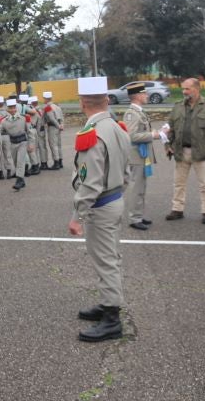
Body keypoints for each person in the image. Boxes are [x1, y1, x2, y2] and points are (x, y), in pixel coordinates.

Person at [68, 76, 130, 343]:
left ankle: (112, 319)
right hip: (114, 199)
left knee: (105, 261)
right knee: (110, 257)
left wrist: (77, 216)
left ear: (82, 103)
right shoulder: (117, 127)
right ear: (106, 100)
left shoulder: (92, 134)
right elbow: (127, 170)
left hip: (101, 205)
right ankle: (107, 303)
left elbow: (90, 183)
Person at [165, 77, 205, 224]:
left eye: (187, 89)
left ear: (196, 89)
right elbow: (170, 128)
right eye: (183, 89)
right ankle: (177, 210)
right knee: (179, 183)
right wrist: (168, 145)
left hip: (202, 153)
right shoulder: (177, 107)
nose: (184, 92)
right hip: (181, 152)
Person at [122, 83, 160, 230]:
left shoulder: (139, 111)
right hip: (136, 156)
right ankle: (134, 218)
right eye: (144, 94)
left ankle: (138, 215)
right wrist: (153, 135)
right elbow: (131, 136)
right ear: (137, 96)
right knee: (136, 188)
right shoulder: (131, 113)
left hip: (141, 155)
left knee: (141, 187)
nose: (147, 96)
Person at [0, 99, 29, 191]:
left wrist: (31, 144)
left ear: (16, 108)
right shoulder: (4, 121)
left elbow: (30, 131)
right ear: (7, 109)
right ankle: (22, 180)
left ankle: (19, 181)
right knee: (16, 163)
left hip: (22, 142)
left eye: (14, 107)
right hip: (13, 143)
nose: (12, 110)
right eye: (10, 108)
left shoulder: (23, 118)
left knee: (20, 162)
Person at [0, 96, 15, 179]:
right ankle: (9, 171)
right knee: (7, 154)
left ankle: (1, 172)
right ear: (3, 103)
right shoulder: (8, 113)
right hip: (6, 135)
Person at [42, 92, 62, 169]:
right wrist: (61, 125)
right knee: (58, 144)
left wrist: (58, 126)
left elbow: (52, 118)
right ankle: (60, 161)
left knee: (53, 145)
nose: (43, 100)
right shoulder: (57, 106)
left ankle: (56, 163)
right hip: (58, 126)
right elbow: (61, 117)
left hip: (53, 127)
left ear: (46, 99)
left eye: (44, 98)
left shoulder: (48, 107)